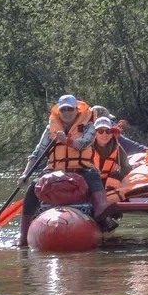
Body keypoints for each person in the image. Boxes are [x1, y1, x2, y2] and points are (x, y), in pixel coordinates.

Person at [17, 94, 114, 248]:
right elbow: (37, 153)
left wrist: (66, 140)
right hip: (54, 171)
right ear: (59, 112)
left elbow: (83, 143)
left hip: (82, 169)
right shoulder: (50, 129)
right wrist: (25, 173)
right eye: (63, 110)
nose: (67, 112)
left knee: (93, 176)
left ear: (77, 110)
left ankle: (102, 214)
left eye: (70, 109)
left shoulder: (89, 126)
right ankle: (23, 235)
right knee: (32, 188)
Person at [88, 116, 133, 200]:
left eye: (108, 131)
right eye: (100, 131)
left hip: (109, 184)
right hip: (91, 183)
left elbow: (127, 167)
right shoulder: (87, 147)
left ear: (112, 133)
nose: (104, 134)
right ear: (95, 133)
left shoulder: (117, 148)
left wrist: (117, 176)